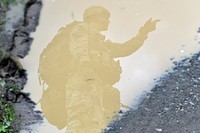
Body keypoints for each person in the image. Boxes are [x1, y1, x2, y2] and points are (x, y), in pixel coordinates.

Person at [39, 6, 159, 133]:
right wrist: (85, 67)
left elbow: (125, 49)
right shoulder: (81, 28)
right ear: (94, 17)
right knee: (79, 118)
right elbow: (78, 48)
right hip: (81, 80)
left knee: (96, 124)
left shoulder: (102, 45)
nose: (108, 21)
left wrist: (142, 34)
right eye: (105, 18)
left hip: (97, 85)